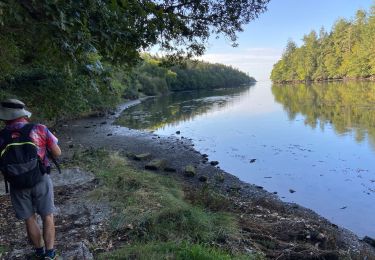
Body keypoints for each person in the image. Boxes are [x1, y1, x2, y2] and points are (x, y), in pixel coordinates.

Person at [0, 99, 61, 260]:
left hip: (16, 183)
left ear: (5, 117)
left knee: (29, 218)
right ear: (23, 114)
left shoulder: (1, 136)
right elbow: (57, 153)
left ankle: (39, 251)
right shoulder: (39, 129)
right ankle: (50, 254)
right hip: (40, 177)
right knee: (47, 215)